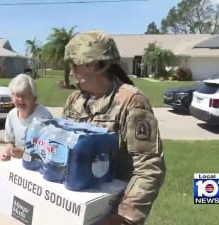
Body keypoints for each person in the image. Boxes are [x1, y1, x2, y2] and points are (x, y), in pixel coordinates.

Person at [62, 30, 166, 225]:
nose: (72, 72)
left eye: (74, 66)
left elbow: (149, 166)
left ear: (91, 64)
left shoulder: (132, 101)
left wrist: (123, 217)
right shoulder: (75, 100)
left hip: (109, 212)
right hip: (73, 207)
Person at [0, 73, 53, 161]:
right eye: (17, 95)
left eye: (25, 95)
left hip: (38, 170)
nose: (20, 100)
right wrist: (8, 151)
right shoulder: (11, 115)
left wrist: (25, 155)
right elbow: (10, 141)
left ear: (34, 98)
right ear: (12, 97)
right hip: (19, 169)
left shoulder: (44, 116)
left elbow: (49, 152)